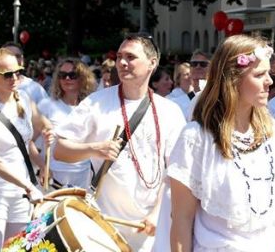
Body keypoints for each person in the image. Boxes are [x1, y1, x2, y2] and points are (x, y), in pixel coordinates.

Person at [168, 35, 275, 251]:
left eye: (269, 73)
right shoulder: (196, 138)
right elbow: (181, 221)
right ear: (233, 79)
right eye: (259, 74)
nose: (269, 81)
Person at [54, 34, 186, 251]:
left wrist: (157, 213)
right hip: (102, 224)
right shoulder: (96, 103)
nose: (122, 62)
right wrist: (94, 149)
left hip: (150, 227)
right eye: (120, 57)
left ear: (152, 63)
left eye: (131, 57)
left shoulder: (170, 111)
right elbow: (59, 150)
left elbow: (174, 171)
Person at [0, 47, 52, 252]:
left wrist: (43, 164)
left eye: (19, 72)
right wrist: (28, 186)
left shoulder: (24, 98)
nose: (14, 78)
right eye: (7, 74)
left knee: (17, 250)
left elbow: (27, 143)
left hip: (22, 193)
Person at [37, 58, 97, 189]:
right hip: (53, 175)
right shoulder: (46, 105)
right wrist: (42, 167)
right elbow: (30, 142)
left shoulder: (92, 107)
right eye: (62, 75)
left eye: (72, 75)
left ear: (82, 78)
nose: (67, 79)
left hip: (84, 175)